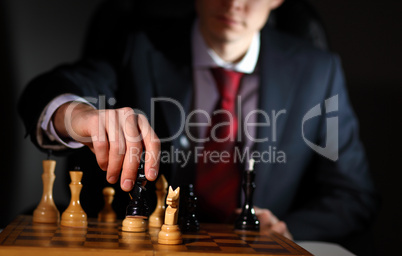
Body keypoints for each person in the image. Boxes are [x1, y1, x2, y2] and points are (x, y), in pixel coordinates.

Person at [18, 0, 378, 247]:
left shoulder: (319, 72)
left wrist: (286, 230)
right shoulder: (138, 45)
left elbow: (353, 195)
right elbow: (45, 91)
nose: (234, 2)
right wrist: (77, 114)